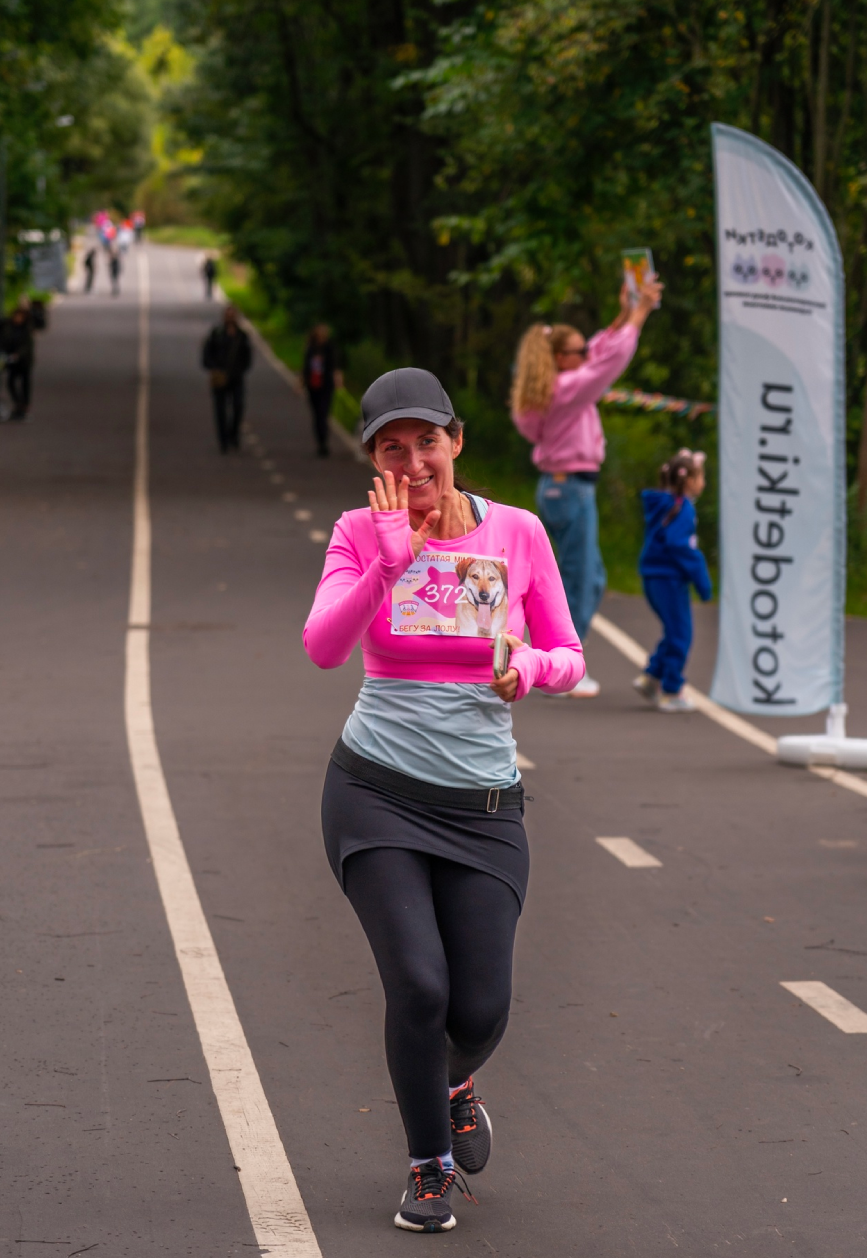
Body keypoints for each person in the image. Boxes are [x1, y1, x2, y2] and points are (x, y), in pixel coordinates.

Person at [304, 367, 584, 1234]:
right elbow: (323, 647)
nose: (415, 460)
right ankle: (428, 1167)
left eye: (428, 441)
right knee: (420, 989)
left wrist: (526, 667)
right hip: (375, 793)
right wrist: (388, 562)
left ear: (457, 441)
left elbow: (568, 652)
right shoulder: (359, 532)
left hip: (483, 807)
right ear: (376, 459)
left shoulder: (519, 533)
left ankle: (451, 1080)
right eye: (395, 447)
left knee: (479, 1010)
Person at [511, 277, 663, 697]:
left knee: (589, 577)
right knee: (579, 579)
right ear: (561, 359)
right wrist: (641, 313)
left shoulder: (559, 384)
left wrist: (628, 311)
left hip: (566, 488)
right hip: (570, 489)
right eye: (577, 350)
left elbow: (598, 350)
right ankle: (562, 664)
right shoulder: (568, 388)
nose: (587, 352)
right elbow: (606, 363)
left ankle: (551, 654)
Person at [633, 449, 711, 713]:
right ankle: (671, 689)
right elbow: (681, 546)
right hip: (669, 579)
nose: (704, 483)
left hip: (653, 576)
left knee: (673, 630)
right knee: (681, 634)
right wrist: (702, 580)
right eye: (701, 476)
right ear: (689, 481)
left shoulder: (663, 505)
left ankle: (652, 676)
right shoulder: (683, 509)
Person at [201, 305, 252, 453]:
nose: (230, 318)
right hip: (220, 378)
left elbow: (247, 357)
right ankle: (223, 441)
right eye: (228, 315)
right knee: (220, 411)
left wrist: (240, 370)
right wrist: (214, 368)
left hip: (236, 378)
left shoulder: (242, 336)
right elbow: (206, 355)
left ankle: (233, 434)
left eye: (233, 315)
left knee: (238, 406)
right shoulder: (216, 333)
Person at [302, 323, 338, 457]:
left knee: (323, 413)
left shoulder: (329, 348)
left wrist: (337, 378)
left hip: (326, 385)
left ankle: (324, 441)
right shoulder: (311, 348)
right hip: (313, 385)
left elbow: (334, 364)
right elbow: (306, 366)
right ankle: (320, 440)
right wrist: (301, 381)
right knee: (316, 414)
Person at [0, 305, 34, 420]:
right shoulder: (8, 327)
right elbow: (3, 341)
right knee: (11, 382)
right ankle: (18, 403)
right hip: (11, 360)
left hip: (23, 361)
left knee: (25, 384)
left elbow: (27, 346)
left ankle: (25, 405)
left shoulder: (26, 329)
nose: (18, 319)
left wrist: (18, 354)